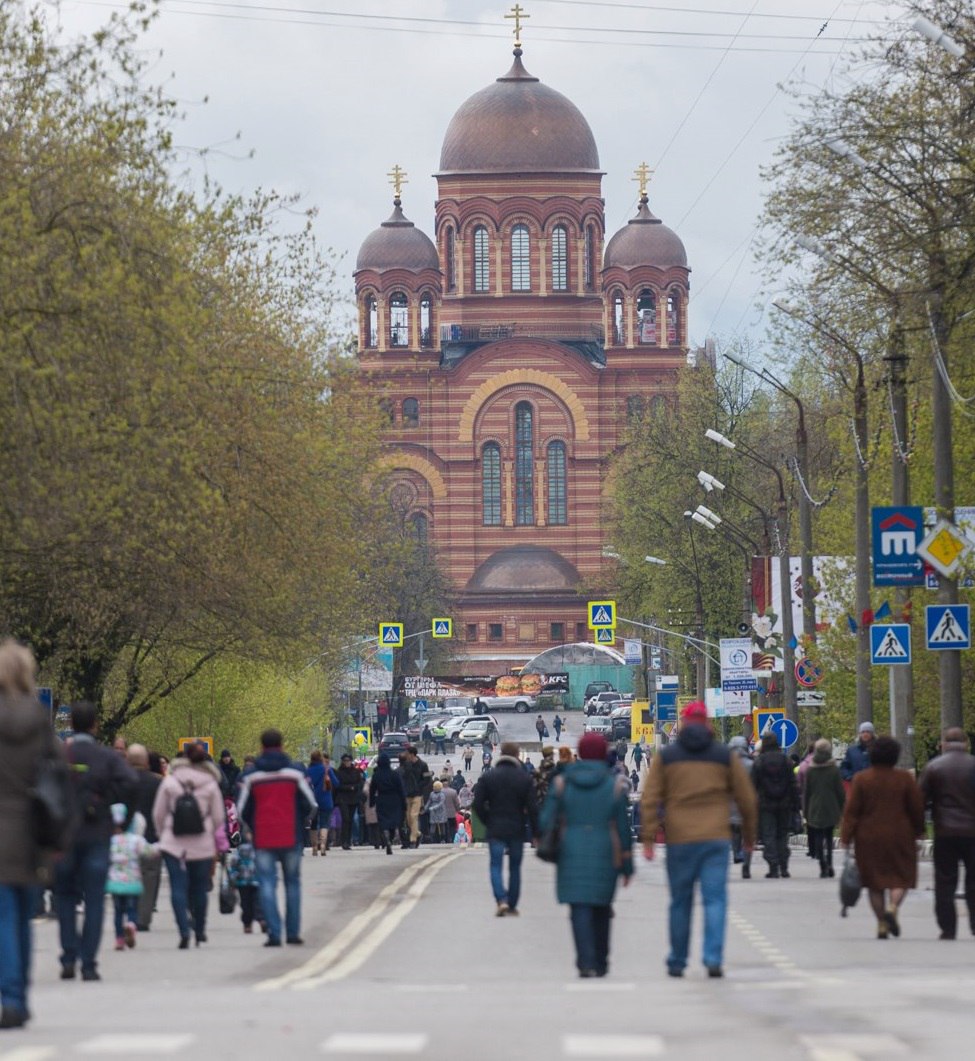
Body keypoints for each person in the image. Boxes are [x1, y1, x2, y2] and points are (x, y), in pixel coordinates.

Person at [641, 701, 757, 978]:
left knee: (680, 901)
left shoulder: (667, 756)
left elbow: (650, 799)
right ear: (707, 724)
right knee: (715, 899)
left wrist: (647, 838)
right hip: (716, 837)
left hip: (679, 837)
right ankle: (712, 957)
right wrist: (749, 837)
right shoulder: (723, 756)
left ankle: (678, 960)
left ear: (681, 724)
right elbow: (747, 799)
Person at [0, 639, 63, 1027]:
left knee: (4, 914)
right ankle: (19, 994)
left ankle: (10, 996)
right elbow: (58, 780)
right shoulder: (40, 721)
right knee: (23, 914)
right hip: (32, 828)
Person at [54, 700, 137, 982]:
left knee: (64, 896)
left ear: (70, 724)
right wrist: (117, 816)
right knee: (94, 900)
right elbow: (130, 782)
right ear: (95, 725)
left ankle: (68, 955)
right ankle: (88, 963)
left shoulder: (59, 755)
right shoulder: (106, 757)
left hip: (64, 835)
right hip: (96, 833)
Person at [540, 732, 633, 978]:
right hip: (606, 850)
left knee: (578, 907)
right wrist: (627, 866)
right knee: (602, 907)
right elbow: (624, 829)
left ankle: (584, 961)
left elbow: (545, 820)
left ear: (580, 755)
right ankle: (601, 961)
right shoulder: (614, 786)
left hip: (570, 850)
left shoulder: (561, 784)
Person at [840, 735, 924, 940]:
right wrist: (920, 831)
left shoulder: (862, 779)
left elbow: (852, 811)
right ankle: (893, 908)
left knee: (873, 883)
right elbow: (916, 809)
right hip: (900, 835)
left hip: (868, 837)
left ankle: (881, 924)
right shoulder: (904, 779)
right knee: (901, 877)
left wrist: (846, 836)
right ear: (895, 756)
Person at [237, 729, 316, 947]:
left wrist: (251, 828)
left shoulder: (252, 778)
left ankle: (274, 932)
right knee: (292, 883)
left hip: (263, 838)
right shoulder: (295, 775)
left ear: (261, 747)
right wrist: (300, 824)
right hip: (291, 836)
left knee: (266, 883)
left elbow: (241, 810)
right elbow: (311, 804)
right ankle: (292, 933)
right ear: (282, 745)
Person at [152, 741, 225, 949]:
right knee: (199, 888)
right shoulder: (211, 784)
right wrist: (208, 830)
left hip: (173, 843)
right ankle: (200, 929)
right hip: (202, 844)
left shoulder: (170, 782)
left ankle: (184, 930)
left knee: (178, 887)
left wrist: (163, 833)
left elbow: (158, 813)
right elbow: (219, 817)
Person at [919, 727, 975, 940]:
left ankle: (948, 927)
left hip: (945, 832)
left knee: (945, 880)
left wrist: (920, 828)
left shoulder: (934, 767)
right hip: (972, 832)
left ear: (943, 744)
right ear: (966, 743)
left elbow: (919, 800)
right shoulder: (973, 765)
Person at [473, 741, 538, 916]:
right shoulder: (524, 778)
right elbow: (533, 807)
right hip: (517, 827)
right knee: (515, 868)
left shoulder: (488, 777)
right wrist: (536, 833)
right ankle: (512, 903)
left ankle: (500, 899)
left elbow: (477, 804)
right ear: (517, 756)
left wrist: (487, 820)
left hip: (495, 826)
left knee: (495, 865)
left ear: (501, 754)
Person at [751, 731, 799, 879]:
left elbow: (753, 784)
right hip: (784, 804)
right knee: (782, 835)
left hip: (766, 805)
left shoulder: (759, 761)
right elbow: (792, 783)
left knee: (768, 835)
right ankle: (784, 866)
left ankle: (773, 867)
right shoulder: (786, 760)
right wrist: (796, 804)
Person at [106, 803, 153, 951]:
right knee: (132, 908)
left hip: (115, 881)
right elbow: (148, 852)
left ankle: (119, 939)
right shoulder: (135, 840)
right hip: (132, 880)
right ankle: (132, 925)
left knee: (118, 911)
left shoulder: (109, 841)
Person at [126, 744, 162, 932]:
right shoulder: (157, 782)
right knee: (149, 876)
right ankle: (143, 917)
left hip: (126, 839)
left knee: (126, 875)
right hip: (151, 838)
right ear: (146, 762)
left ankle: (128, 913)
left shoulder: (122, 780)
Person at [803, 739, 845, 879]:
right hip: (831, 807)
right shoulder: (833, 769)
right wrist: (842, 807)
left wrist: (805, 809)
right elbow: (839, 790)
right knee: (828, 835)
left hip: (814, 807)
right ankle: (830, 864)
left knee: (818, 837)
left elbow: (807, 791)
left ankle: (822, 865)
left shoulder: (811, 769)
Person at [368, 752, 407, 855]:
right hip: (394, 800)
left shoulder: (376, 775)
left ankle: (385, 835)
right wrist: (404, 803)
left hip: (381, 799)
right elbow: (401, 789)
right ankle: (390, 836)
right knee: (393, 821)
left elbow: (372, 790)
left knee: (383, 820)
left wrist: (371, 802)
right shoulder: (394, 774)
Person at [727, 736, 754, 879]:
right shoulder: (752, 764)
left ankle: (736, 853)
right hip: (748, 805)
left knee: (735, 833)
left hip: (730, 805)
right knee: (748, 836)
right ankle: (746, 865)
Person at [398, 745, 432, 848]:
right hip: (407, 794)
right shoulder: (406, 765)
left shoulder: (422, 765)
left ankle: (413, 840)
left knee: (414, 816)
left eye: (407, 753)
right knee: (408, 818)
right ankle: (418, 834)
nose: (406, 755)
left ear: (412, 754)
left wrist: (419, 787)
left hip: (417, 795)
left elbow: (427, 778)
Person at [226, 830, 260, 933]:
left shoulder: (239, 851)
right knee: (257, 902)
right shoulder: (260, 850)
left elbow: (233, 866)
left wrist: (232, 879)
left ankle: (247, 924)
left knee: (245, 903)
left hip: (242, 883)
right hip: (256, 881)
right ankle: (262, 920)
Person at [306, 750, 339, 856]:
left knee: (313, 824)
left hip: (312, 800)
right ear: (320, 758)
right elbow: (336, 783)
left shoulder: (308, 770)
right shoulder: (326, 769)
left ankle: (315, 847)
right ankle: (323, 845)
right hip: (326, 799)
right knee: (325, 823)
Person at [335, 753, 364, 850]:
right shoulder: (339, 772)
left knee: (351, 820)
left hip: (353, 798)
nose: (347, 763)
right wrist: (349, 787)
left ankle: (349, 840)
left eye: (348, 761)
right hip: (343, 798)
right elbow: (338, 785)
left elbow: (360, 783)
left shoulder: (355, 772)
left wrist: (355, 788)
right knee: (345, 819)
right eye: (345, 761)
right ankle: (344, 841)